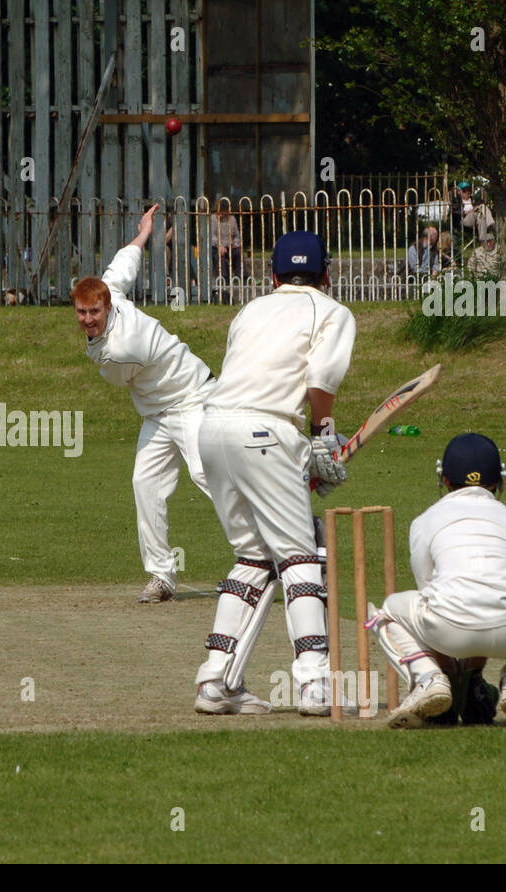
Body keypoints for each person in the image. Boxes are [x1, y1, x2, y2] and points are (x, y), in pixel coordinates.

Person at [193, 230, 354, 715]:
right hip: (265, 432)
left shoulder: (249, 310)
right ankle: (314, 684)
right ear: (327, 273)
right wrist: (324, 437)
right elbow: (320, 381)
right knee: (301, 553)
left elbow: (251, 380)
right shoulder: (331, 311)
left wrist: (304, 452)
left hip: (212, 430)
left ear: (272, 274)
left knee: (253, 556)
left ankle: (215, 682)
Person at [366, 433, 506, 728]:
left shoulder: (426, 519)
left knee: (388, 610)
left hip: (447, 627)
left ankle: (428, 680)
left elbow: (427, 586)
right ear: (499, 480)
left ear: (443, 479)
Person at [74, 202, 215, 603]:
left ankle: (271, 553)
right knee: (145, 483)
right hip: (158, 412)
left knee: (208, 476)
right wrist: (144, 232)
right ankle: (162, 577)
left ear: (107, 306)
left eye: (94, 312)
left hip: (193, 398)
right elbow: (124, 264)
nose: (88, 320)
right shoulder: (111, 291)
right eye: (82, 312)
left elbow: (115, 378)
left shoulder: (120, 350)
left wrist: (93, 344)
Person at [210, 206, 242, 291]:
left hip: (230, 246)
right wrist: (219, 246)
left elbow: (237, 236)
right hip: (217, 246)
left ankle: (241, 277)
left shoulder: (232, 219)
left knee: (238, 253)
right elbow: (212, 236)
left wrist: (235, 244)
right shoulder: (212, 219)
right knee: (220, 255)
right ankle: (222, 278)